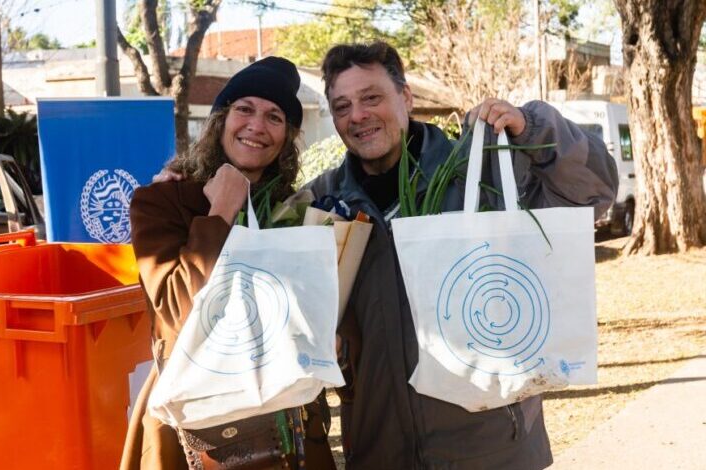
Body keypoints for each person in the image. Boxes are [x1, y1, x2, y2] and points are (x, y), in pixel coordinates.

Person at [306, 42, 619, 469]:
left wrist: (534, 129)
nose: (357, 115)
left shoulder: (480, 167)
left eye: (371, 98)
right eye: (342, 106)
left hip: (492, 449)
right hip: (379, 450)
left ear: (406, 97)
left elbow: (596, 190)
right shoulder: (322, 203)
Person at [120, 56, 336, 470]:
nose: (257, 125)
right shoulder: (162, 202)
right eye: (244, 109)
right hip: (197, 431)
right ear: (220, 120)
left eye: (274, 116)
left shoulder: (295, 211)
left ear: (287, 137)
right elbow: (175, 310)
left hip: (285, 421)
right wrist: (220, 212)